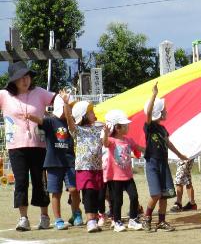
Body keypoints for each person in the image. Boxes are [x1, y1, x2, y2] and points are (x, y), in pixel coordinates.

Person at [0, 61, 55, 231]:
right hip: (15, 146)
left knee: (40, 181)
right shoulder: (4, 95)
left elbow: (57, 99)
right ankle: (23, 218)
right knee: (21, 182)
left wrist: (64, 104)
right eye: (21, 78)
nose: (25, 81)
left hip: (39, 145)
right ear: (13, 81)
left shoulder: (39, 93)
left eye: (27, 77)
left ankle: (44, 216)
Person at [24, 94, 82, 230]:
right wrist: (30, 116)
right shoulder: (51, 121)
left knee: (74, 189)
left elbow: (74, 127)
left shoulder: (71, 122)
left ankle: (76, 214)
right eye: (68, 106)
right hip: (53, 163)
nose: (70, 110)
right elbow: (40, 121)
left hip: (69, 162)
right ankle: (58, 219)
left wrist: (68, 107)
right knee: (56, 192)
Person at [143, 82, 188, 232]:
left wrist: (180, 155)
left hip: (163, 163)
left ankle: (161, 221)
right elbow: (148, 113)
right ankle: (147, 218)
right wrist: (154, 95)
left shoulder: (162, 129)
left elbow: (168, 143)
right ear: (158, 113)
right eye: (163, 109)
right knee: (155, 194)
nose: (166, 111)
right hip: (152, 163)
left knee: (165, 195)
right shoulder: (150, 127)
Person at [61, 95, 105, 233]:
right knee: (88, 193)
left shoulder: (98, 128)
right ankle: (90, 221)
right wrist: (66, 104)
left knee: (98, 194)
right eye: (91, 112)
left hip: (98, 167)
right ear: (83, 116)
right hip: (84, 167)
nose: (94, 114)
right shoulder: (78, 131)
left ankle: (95, 218)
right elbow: (69, 121)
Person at [102, 110, 144, 232]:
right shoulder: (111, 140)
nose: (128, 127)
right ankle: (117, 221)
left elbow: (138, 147)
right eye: (125, 125)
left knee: (134, 196)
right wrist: (105, 133)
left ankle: (133, 219)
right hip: (115, 177)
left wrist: (149, 150)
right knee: (117, 200)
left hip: (128, 176)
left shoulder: (128, 140)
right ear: (117, 128)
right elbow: (105, 143)